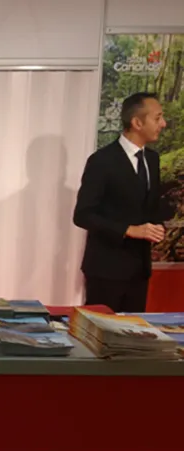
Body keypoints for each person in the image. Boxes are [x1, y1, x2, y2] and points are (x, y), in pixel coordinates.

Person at [73, 92, 172, 313]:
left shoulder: (152, 159)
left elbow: (149, 206)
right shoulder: (102, 161)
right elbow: (83, 215)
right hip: (106, 269)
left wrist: (157, 226)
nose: (163, 124)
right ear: (137, 123)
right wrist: (129, 230)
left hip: (139, 269)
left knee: (134, 330)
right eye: (157, 118)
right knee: (103, 329)